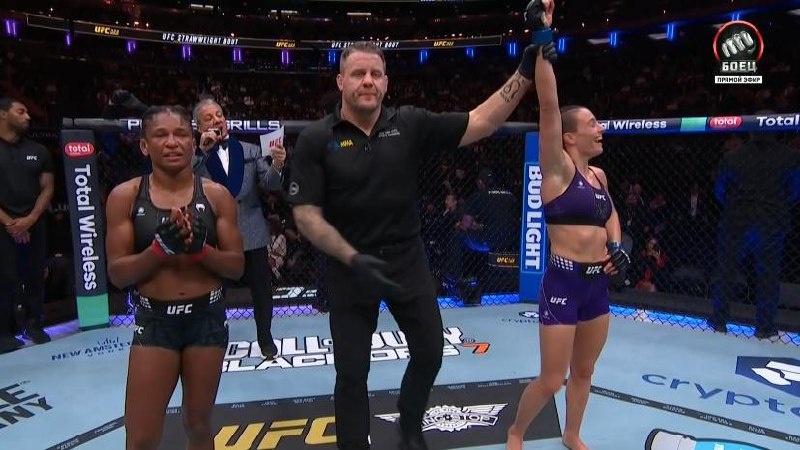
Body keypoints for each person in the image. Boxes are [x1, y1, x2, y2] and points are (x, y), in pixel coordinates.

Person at [288, 33, 539, 449]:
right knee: (351, 372)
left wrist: (525, 70)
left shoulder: (408, 123)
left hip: (406, 258)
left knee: (430, 351)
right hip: (350, 266)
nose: (367, 81)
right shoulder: (318, 138)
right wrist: (352, 257)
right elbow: (306, 215)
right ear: (340, 82)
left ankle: (409, 424)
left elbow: (482, 121)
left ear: (386, 82)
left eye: (375, 74)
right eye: (358, 73)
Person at [506, 2, 629, 450]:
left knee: (584, 371)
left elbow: (610, 215)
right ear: (570, 136)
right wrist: (543, 38)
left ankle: (572, 433)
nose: (601, 130)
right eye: (593, 124)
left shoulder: (599, 177)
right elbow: (549, 105)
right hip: (563, 282)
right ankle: (516, 431)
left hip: (598, 285)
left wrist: (618, 246)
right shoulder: (558, 170)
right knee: (552, 378)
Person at [105, 105, 244, 450]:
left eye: (181, 134)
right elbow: (118, 274)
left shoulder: (217, 195)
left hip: (206, 318)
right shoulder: (125, 197)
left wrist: (200, 251)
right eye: (161, 135)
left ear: (193, 142)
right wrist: (158, 251)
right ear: (144, 145)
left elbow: (236, 267)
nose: (172, 142)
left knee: (198, 425)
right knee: (141, 438)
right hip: (156, 322)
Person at [192, 99, 285, 359]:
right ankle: (216, 338)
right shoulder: (194, 156)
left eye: (219, 114)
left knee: (262, 290)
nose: (217, 120)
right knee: (214, 291)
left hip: (252, 230)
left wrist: (277, 165)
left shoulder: (249, 150)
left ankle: (265, 339)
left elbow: (270, 184)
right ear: (198, 126)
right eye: (209, 118)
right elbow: (184, 183)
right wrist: (201, 154)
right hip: (215, 234)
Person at [710, 126, 800, 339]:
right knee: (767, 276)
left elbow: (720, 189)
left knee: (726, 273)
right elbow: (795, 190)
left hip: (738, 220)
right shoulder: (790, 156)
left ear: (751, 130)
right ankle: (764, 327)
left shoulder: (734, 156)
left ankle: (720, 321)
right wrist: (777, 205)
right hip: (770, 222)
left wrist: (736, 204)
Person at [0, 98, 55, 353]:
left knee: (35, 275)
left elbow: (47, 188)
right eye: (20, 111)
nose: (28, 117)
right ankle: (4, 332)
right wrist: (11, 224)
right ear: (3, 114)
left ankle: (35, 324)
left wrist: (30, 220)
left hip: (34, 222)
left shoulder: (38, 150)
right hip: (3, 225)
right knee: (4, 277)